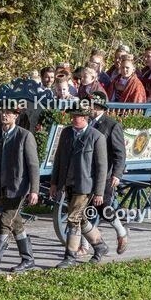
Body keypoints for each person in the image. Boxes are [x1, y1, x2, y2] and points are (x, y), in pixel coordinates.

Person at [0, 103, 40, 275]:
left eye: (8, 113)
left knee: (5, 221)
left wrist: (34, 189)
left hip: (18, 188)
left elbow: (33, 165)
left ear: (15, 116)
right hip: (0, 188)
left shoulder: (25, 136)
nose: (4, 115)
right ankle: (28, 259)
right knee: (16, 224)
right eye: (2, 112)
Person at [51, 102, 109, 267]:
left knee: (73, 218)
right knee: (80, 219)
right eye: (72, 116)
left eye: (75, 116)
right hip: (68, 183)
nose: (72, 118)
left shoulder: (96, 137)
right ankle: (100, 245)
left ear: (84, 118)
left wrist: (99, 192)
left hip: (85, 186)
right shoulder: (66, 133)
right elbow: (58, 159)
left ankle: (70, 256)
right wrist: (54, 183)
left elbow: (101, 167)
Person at [87, 91, 128, 254]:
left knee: (103, 208)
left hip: (106, 173)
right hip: (88, 173)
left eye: (90, 105)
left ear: (98, 107)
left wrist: (117, 174)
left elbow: (120, 153)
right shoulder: (87, 123)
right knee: (84, 209)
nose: (88, 108)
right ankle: (85, 245)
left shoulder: (111, 125)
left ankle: (121, 232)